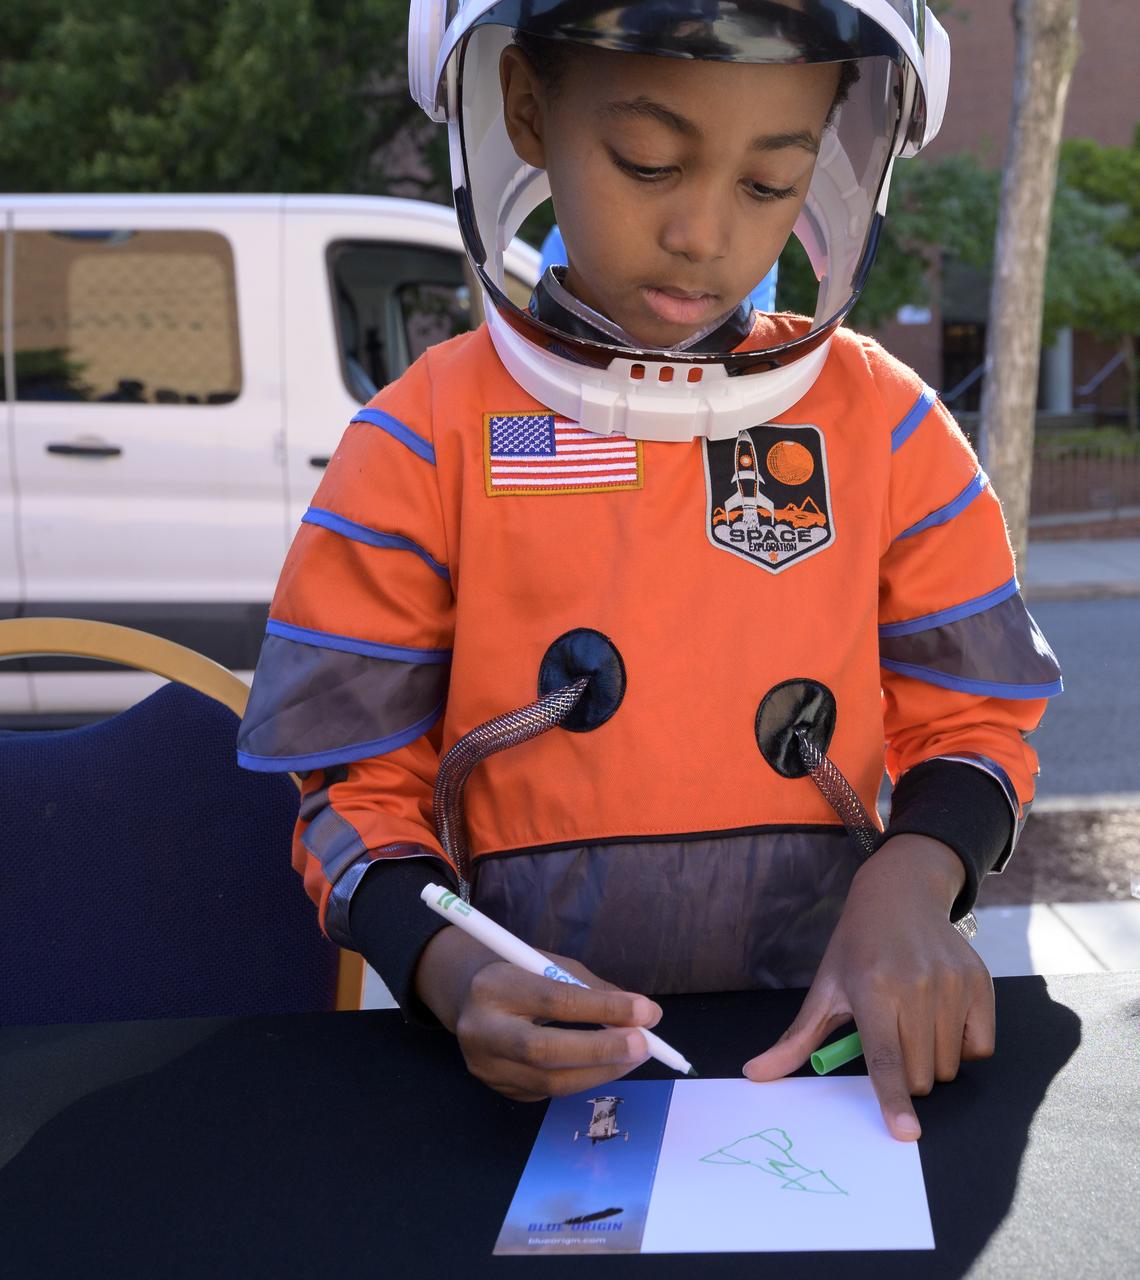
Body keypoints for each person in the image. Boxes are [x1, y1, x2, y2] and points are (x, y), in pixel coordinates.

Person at [238, 1, 1062, 1141]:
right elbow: (350, 786)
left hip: (826, 1058)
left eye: (770, 183)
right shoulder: (422, 442)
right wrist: (451, 968)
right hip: (523, 1076)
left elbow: (975, 720)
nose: (703, 233)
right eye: (647, 161)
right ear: (525, 110)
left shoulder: (886, 428)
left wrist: (917, 882)